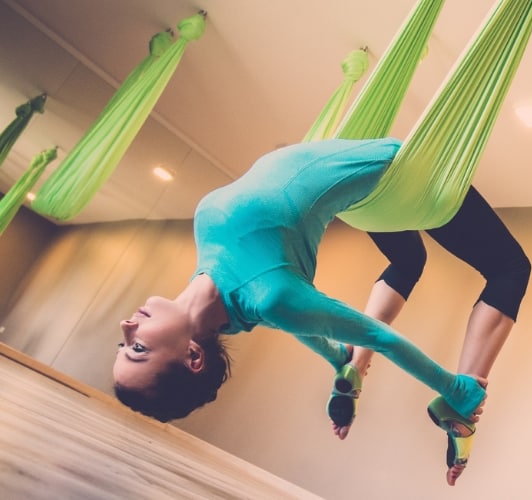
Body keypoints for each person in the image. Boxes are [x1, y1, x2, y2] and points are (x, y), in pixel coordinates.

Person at [112, 138, 489, 449]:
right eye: (138, 349)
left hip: (348, 167)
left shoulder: (232, 299)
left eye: (122, 345)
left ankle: (346, 372)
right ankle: (444, 403)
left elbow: (295, 325)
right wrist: (454, 388)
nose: (127, 327)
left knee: (410, 261)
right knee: (510, 268)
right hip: (397, 169)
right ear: (193, 355)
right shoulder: (270, 297)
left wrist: (338, 359)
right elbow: (378, 336)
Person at [326, 187, 531, 486]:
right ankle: (463, 401)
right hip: (419, 180)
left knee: (408, 262)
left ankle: (355, 366)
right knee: (511, 269)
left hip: (358, 193)